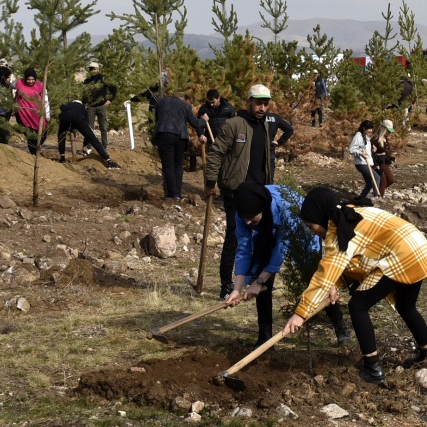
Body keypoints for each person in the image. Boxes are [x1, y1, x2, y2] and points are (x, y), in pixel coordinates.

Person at [286, 186, 427, 384]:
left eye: (311, 226)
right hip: (417, 248)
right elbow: (354, 261)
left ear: (320, 216)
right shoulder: (351, 212)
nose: (313, 233)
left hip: (402, 255)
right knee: (406, 306)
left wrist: (300, 314)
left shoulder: (340, 226)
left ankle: (373, 368)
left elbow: (326, 272)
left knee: (358, 306)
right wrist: (334, 285)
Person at [224, 182, 350, 346]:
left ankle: (340, 327)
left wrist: (259, 281)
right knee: (261, 278)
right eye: (244, 218)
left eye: (251, 218)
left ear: (262, 209)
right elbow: (244, 249)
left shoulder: (285, 207)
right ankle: (265, 338)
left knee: (317, 277)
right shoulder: (243, 212)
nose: (247, 222)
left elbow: (281, 249)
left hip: (301, 229)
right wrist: (237, 289)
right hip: (267, 232)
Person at [203, 83, 294, 300]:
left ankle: (258, 282)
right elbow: (216, 154)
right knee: (236, 238)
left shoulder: (265, 125)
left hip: (262, 194)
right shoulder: (234, 124)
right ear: (249, 102)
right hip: (236, 191)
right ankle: (227, 286)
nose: (262, 108)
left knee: (266, 238)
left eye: (266, 104)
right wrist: (209, 182)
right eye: (258, 103)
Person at [147, 86, 205, 199]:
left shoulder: (160, 103)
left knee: (168, 166)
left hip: (164, 135)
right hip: (180, 137)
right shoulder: (185, 105)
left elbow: (157, 119)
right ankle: (177, 194)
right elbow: (195, 123)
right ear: (182, 97)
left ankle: (171, 194)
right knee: (178, 165)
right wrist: (204, 120)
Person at [56, 97, 120, 168]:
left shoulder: (65, 105)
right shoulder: (83, 109)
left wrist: (71, 130)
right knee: (93, 139)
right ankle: (108, 161)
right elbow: (87, 129)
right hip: (79, 119)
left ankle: (62, 157)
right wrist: (85, 145)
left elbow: (64, 115)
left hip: (64, 118)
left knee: (61, 136)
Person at [82, 61, 116, 150]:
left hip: (101, 106)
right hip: (90, 107)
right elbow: (84, 93)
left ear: (98, 69)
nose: (92, 70)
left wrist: (110, 100)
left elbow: (114, 89)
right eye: (90, 69)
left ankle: (105, 146)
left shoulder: (103, 79)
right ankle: (89, 147)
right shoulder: (87, 80)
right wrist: (84, 104)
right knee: (89, 128)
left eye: (94, 69)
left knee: (103, 127)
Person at [14, 68, 46, 154]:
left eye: (33, 79)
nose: (31, 81)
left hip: (36, 114)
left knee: (43, 134)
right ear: (25, 78)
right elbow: (9, 83)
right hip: (23, 114)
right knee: (30, 135)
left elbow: (45, 98)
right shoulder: (19, 83)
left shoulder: (40, 85)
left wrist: (47, 113)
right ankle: (33, 154)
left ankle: (36, 150)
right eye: (29, 79)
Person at [349, 119, 379, 197]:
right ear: (364, 128)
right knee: (377, 178)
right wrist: (360, 153)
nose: (371, 130)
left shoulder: (366, 137)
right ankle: (376, 198)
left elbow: (366, 149)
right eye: (369, 128)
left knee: (369, 183)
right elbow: (351, 150)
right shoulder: (358, 136)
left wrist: (372, 149)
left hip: (366, 162)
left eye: (371, 129)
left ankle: (361, 198)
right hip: (362, 163)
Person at [374, 121, 396, 192]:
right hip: (377, 162)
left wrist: (391, 158)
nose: (389, 133)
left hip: (383, 161)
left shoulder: (385, 138)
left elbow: (384, 152)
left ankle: (378, 192)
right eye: (388, 131)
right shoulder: (375, 139)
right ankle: (379, 197)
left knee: (390, 180)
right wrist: (375, 164)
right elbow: (371, 154)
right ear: (384, 129)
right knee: (383, 182)